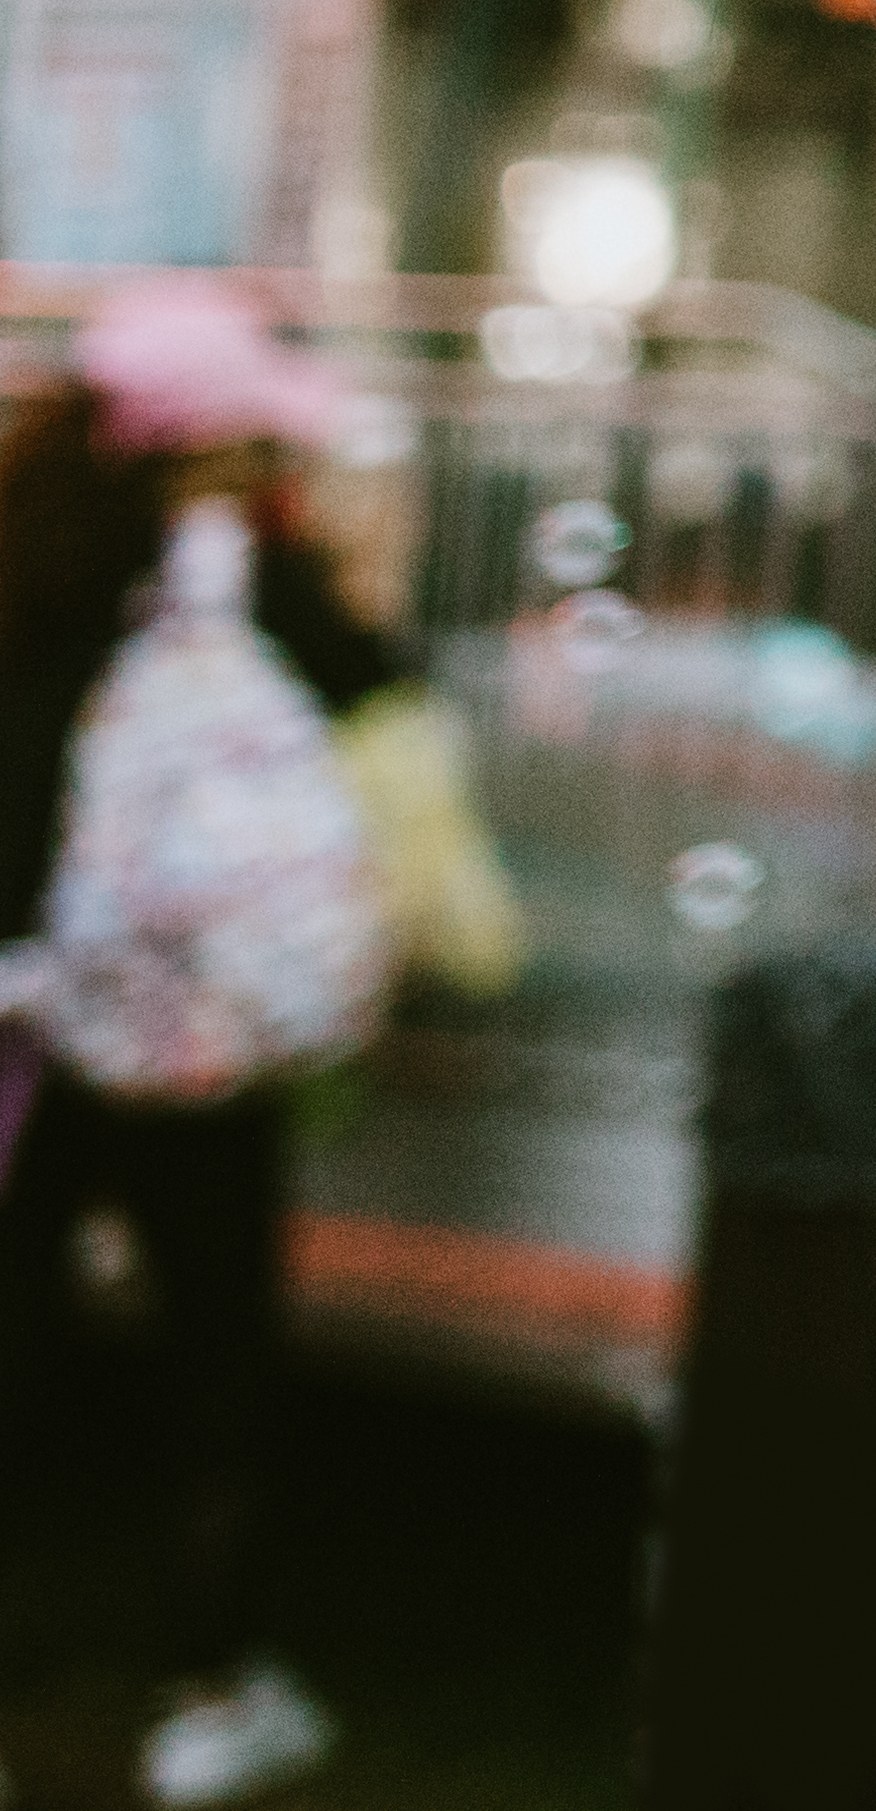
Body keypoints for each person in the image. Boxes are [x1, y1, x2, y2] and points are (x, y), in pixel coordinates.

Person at [0, 282, 413, 1810]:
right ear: (216, 437)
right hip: (193, 1025)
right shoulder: (248, 574)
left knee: (16, 1341)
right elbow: (388, 703)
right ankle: (209, 1686)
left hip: (33, 1014)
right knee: (218, 1352)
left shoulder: (28, 553)